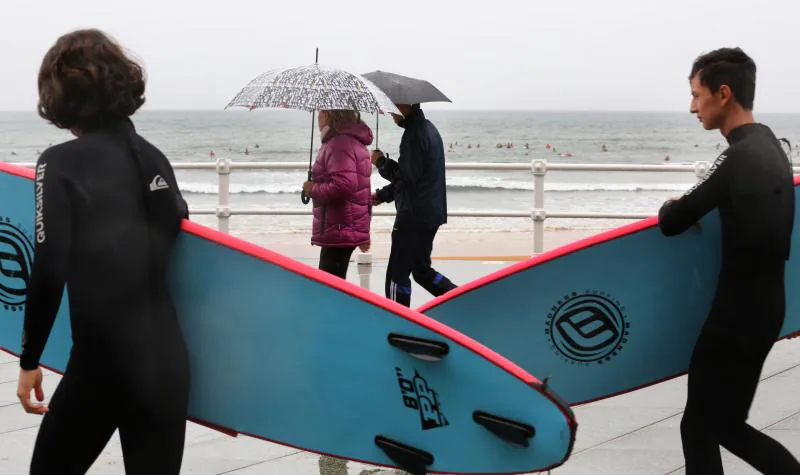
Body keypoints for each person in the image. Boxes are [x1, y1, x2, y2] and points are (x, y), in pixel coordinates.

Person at [16, 29, 191, 474]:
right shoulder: (156, 160)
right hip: (167, 365)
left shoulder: (58, 163)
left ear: (61, 94)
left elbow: (49, 267)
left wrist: (30, 359)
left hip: (101, 366)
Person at [657, 47, 800, 474]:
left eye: (696, 95)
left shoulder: (738, 157)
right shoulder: (771, 145)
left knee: (705, 426)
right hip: (764, 306)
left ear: (723, 94)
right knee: (721, 424)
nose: (691, 107)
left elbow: (674, 221)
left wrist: (674, 203)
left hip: (737, 314)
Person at [370, 103, 457, 307]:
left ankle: (396, 321)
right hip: (429, 214)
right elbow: (417, 179)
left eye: (394, 106)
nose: (390, 111)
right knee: (422, 272)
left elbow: (407, 178)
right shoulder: (428, 128)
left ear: (407, 107)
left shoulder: (414, 135)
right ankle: (460, 299)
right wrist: (383, 195)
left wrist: (381, 162)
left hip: (412, 217)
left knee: (396, 276)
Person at [302, 109, 373, 280]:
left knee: (328, 288)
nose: (318, 117)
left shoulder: (339, 143)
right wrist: (362, 231)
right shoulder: (352, 141)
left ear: (327, 115)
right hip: (345, 226)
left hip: (339, 227)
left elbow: (345, 185)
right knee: (332, 285)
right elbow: (361, 190)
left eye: (320, 113)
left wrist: (313, 189)